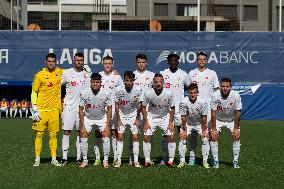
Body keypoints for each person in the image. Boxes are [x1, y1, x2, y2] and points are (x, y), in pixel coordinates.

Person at [185, 51, 219, 166]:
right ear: (196, 61)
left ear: (206, 60)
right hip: (194, 107)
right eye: (199, 59)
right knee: (193, 133)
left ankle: (210, 158)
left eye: (203, 59)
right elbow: (190, 89)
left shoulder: (212, 73)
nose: (201, 61)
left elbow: (216, 91)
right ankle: (192, 157)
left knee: (208, 133)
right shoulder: (191, 73)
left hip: (208, 108)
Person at [30, 53, 63, 167]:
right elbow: (34, 92)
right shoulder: (39, 75)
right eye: (49, 61)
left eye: (53, 61)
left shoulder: (60, 72)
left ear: (56, 62)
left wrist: (85, 70)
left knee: (53, 135)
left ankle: (54, 159)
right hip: (41, 110)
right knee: (39, 135)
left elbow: (74, 73)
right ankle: (37, 159)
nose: (51, 63)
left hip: (54, 110)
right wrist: (34, 108)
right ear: (46, 62)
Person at [60, 52, 92, 166]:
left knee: (80, 132)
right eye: (77, 60)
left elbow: (96, 82)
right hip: (69, 107)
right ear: (74, 61)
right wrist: (61, 100)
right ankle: (64, 157)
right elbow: (56, 86)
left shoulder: (87, 73)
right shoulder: (67, 73)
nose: (79, 62)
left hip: (82, 109)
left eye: (81, 60)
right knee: (67, 131)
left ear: (83, 61)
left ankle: (79, 157)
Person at [78, 73, 112, 168]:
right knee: (83, 134)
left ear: (101, 83)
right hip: (88, 118)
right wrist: (82, 124)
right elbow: (80, 109)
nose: (95, 84)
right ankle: (85, 161)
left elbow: (109, 109)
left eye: (97, 82)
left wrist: (107, 124)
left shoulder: (106, 93)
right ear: (90, 82)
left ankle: (105, 161)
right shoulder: (84, 93)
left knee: (105, 135)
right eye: (93, 82)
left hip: (102, 118)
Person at [142, 73, 176, 167]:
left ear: (163, 82)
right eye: (156, 82)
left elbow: (172, 108)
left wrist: (170, 123)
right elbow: (143, 107)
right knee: (146, 137)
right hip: (151, 117)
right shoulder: (148, 93)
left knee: (171, 137)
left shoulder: (169, 93)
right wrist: (146, 122)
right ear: (153, 82)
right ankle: (147, 161)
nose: (158, 84)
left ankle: (170, 161)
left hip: (165, 117)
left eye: (160, 82)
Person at [159, 53, 187, 165]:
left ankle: (182, 159)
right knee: (166, 136)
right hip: (167, 111)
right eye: (171, 60)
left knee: (182, 135)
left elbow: (190, 88)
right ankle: (165, 158)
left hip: (180, 110)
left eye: (175, 60)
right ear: (168, 61)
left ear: (178, 62)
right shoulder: (163, 74)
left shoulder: (184, 74)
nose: (173, 62)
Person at [210, 78, 242, 168]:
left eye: (227, 86)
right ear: (220, 86)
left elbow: (238, 112)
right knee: (213, 137)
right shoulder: (215, 95)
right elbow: (213, 113)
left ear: (230, 87)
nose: (225, 88)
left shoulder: (236, 95)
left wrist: (236, 128)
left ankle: (235, 161)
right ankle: (216, 161)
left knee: (236, 136)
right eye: (223, 86)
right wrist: (213, 129)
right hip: (218, 119)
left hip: (231, 120)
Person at [97, 56, 123, 165]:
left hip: (113, 108)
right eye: (105, 63)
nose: (107, 65)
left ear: (113, 64)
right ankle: (98, 158)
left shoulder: (117, 77)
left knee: (113, 132)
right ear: (103, 64)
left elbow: (121, 93)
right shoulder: (99, 76)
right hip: (100, 109)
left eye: (109, 63)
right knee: (99, 133)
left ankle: (116, 157)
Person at [177, 83, 210, 168]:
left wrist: (203, 131)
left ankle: (205, 162)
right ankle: (182, 161)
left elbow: (204, 117)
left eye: (194, 93)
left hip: (199, 124)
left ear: (197, 92)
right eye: (191, 93)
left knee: (205, 139)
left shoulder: (202, 102)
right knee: (182, 139)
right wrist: (184, 130)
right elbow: (183, 118)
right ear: (188, 93)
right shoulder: (183, 102)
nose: (193, 95)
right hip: (188, 124)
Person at [114, 71, 142, 168]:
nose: (129, 83)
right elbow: (116, 105)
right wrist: (118, 119)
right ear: (124, 80)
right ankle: (119, 161)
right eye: (126, 80)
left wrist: (138, 119)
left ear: (134, 80)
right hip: (122, 114)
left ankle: (136, 161)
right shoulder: (118, 90)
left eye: (130, 80)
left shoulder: (138, 89)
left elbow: (139, 105)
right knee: (120, 136)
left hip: (134, 114)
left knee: (135, 137)